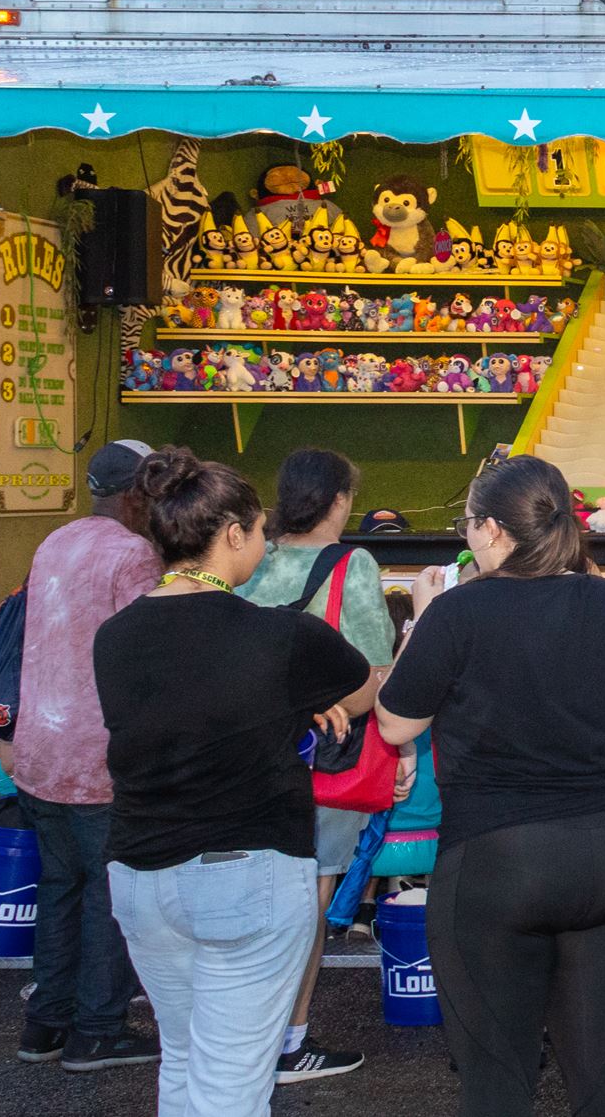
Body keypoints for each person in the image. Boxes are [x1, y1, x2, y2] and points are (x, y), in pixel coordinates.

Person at [375, 455, 605, 1117]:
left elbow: (395, 720)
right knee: (602, 1062)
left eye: (467, 525)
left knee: (497, 1072)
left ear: (494, 529)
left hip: (498, 858)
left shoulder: (458, 611)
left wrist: (421, 619)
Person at [95, 447, 378, 1117]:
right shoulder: (280, 637)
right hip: (247, 873)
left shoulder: (116, 636)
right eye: (257, 529)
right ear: (230, 534)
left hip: (141, 874)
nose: (262, 541)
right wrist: (302, 699)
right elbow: (364, 683)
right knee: (233, 1083)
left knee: (187, 1059)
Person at [2, 437, 161, 1072]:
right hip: (98, 756)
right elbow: (142, 657)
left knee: (60, 888)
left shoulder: (54, 543)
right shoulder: (135, 557)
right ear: (136, 494)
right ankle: (98, 1030)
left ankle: (44, 1024)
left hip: (40, 750)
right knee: (107, 895)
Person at [234, 447, 389, 1084]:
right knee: (308, 901)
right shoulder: (353, 565)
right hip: (321, 762)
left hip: (246, 756)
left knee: (247, 899)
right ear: (339, 501)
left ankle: (239, 1034)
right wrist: (325, 705)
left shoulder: (248, 558)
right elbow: (375, 678)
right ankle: (289, 1040)